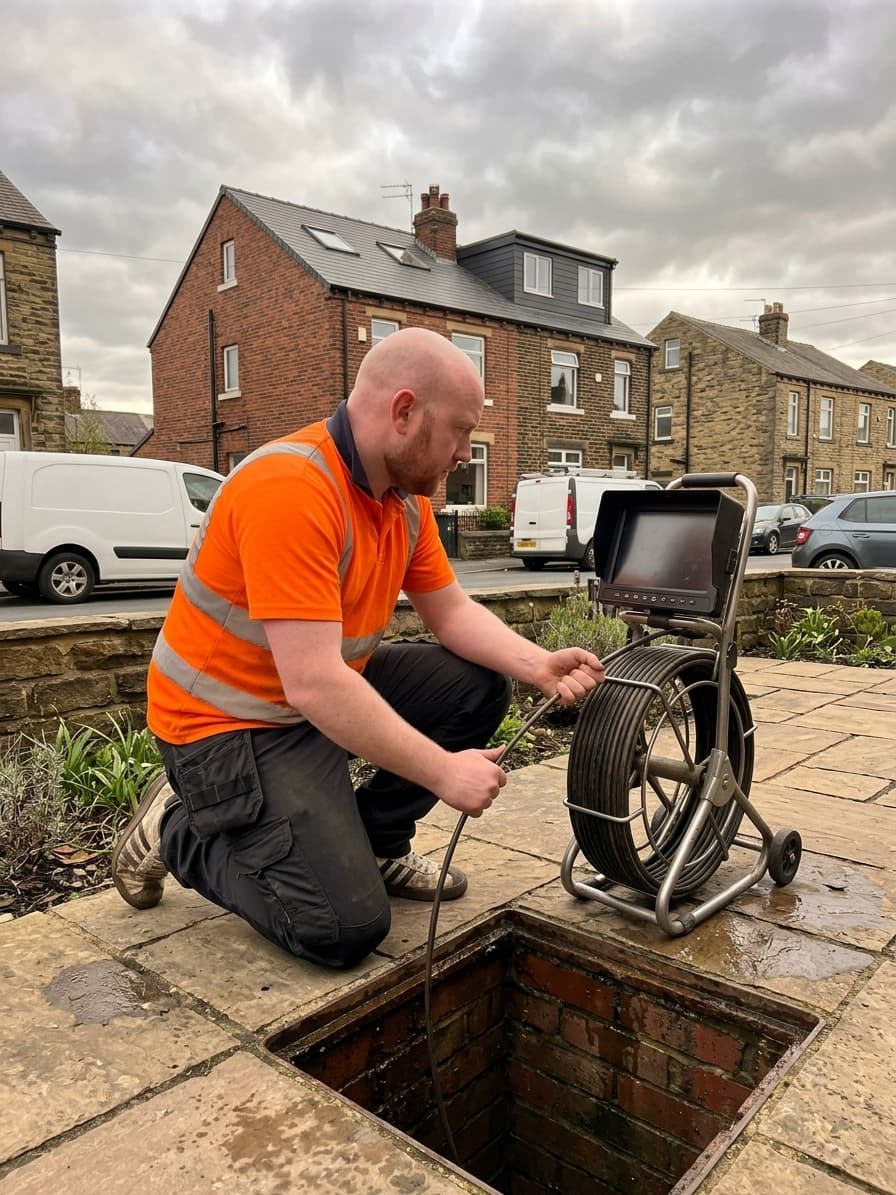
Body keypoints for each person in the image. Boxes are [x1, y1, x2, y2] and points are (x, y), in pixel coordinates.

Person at [112, 328, 604, 968]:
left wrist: (538, 663)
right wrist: (444, 771)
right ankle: (177, 828)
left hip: (307, 703)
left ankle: (375, 846)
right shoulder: (290, 490)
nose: (464, 452)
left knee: (479, 684)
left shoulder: (403, 502)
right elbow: (314, 684)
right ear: (403, 412)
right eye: (458, 431)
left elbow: (451, 612)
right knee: (341, 930)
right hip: (223, 729)